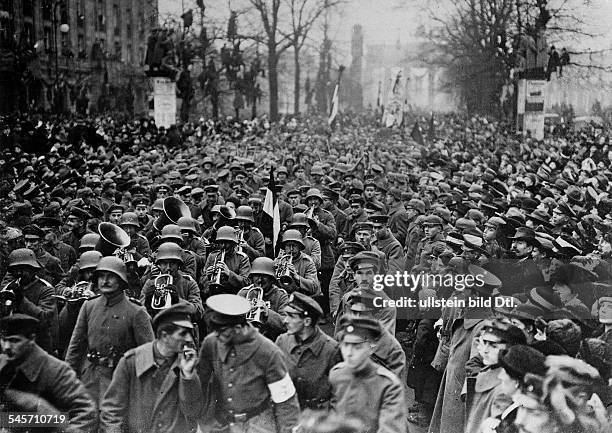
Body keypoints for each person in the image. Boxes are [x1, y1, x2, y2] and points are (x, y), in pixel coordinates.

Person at [198, 294, 300, 433]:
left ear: (239, 327)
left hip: (258, 423)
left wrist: (289, 430)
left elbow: (285, 400)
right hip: (222, 423)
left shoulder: (268, 351)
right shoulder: (211, 343)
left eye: (222, 331)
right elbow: (201, 385)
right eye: (215, 331)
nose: (217, 336)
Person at [100, 301, 204, 433]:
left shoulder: (189, 363)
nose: (189, 339)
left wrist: (188, 376)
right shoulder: (131, 362)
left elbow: (193, 411)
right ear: (165, 335)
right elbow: (111, 411)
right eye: (183, 333)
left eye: (190, 333)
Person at [65, 256, 155, 407]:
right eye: (101, 276)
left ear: (121, 280)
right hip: (90, 379)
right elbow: (76, 346)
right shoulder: (89, 306)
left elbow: (147, 354)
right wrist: (67, 378)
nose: (104, 281)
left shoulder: (136, 311)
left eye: (110, 277)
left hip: (121, 381)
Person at [0, 314, 97, 432]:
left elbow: (86, 413)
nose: (7, 347)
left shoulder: (56, 370)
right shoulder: (3, 365)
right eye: (3, 340)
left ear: (32, 339)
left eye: (14, 340)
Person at [329, 315, 407, 433]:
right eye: (345, 345)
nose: (349, 353)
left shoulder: (388, 385)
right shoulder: (336, 375)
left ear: (371, 348)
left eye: (357, 346)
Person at [275, 292, 341, 410]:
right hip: (289, 414)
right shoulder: (282, 341)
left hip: (319, 419)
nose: (285, 320)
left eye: (291, 316)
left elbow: (340, 393)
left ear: (307, 321)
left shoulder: (331, 350)